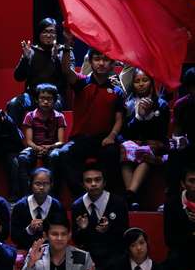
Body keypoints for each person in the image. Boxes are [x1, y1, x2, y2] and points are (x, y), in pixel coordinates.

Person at [58, 47, 124, 196]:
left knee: (113, 152)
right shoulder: (81, 82)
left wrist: (112, 136)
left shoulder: (117, 91)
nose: (101, 63)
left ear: (113, 64)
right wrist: (67, 46)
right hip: (80, 139)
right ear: (91, 62)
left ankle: (110, 197)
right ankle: (82, 195)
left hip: (103, 139)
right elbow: (66, 70)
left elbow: (119, 119)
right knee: (63, 154)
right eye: (97, 59)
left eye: (106, 60)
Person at [7, 18, 73, 125]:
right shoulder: (31, 51)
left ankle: (52, 140)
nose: (48, 35)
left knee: (56, 105)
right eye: (45, 32)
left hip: (55, 97)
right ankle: (14, 139)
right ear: (39, 34)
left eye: (52, 32)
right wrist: (25, 59)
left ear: (56, 34)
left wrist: (56, 59)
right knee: (14, 104)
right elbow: (18, 77)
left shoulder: (63, 51)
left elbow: (69, 77)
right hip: (33, 96)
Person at [121, 69, 170, 209]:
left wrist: (148, 116)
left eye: (144, 80)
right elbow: (126, 132)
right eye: (137, 81)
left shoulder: (161, 104)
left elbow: (161, 133)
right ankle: (132, 198)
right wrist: (139, 117)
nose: (141, 84)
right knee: (125, 150)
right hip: (133, 144)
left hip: (155, 145)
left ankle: (130, 196)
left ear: (151, 82)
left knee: (146, 151)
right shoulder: (129, 104)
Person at [70, 162, 128, 270]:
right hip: (88, 254)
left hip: (113, 253)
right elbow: (76, 240)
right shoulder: (77, 206)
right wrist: (82, 229)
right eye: (88, 180)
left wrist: (108, 229)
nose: (93, 184)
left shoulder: (118, 202)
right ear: (83, 184)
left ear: (104, 182)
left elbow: (124, 234)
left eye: (97, 180)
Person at [17, 83, 66, 190]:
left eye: (49, 99)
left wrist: (48, 147)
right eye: (42, 98)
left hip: (52, 148)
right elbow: (29, 141)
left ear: (54, 100)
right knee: (22, 158)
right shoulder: (30, 116)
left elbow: (61, 142)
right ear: (36, 100)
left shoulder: (59, 116)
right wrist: (38, 148)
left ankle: (53, 193)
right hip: (34, 147)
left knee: (55, 156)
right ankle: (26, 192)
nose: (45, 101)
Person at [163, 162, 195, 270]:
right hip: (181, 251)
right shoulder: (173, 204)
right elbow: (169, 239)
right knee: (172, 265)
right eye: (192, 181)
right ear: (183, 184)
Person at [11, 167, 65, 250]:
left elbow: (63, 234)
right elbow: (14, 238)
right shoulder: (20, 206)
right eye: (37, 184)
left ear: (51, 185)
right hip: (25, 250)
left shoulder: (57, 206)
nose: (41, 187)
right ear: (31, 184)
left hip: (51, 251)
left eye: (46, 184)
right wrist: (29, 230)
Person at [167, 67, 195, 196]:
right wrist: (179, 140)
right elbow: (177, 132)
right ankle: (172, 196)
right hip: (190, 145)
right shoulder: (181, 105)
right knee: (174, 152)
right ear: (189, 88)